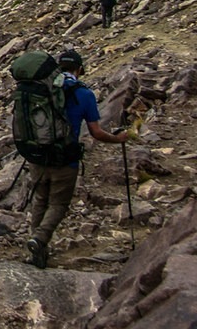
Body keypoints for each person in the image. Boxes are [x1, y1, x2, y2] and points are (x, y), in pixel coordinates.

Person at [25, 48, 127, 269]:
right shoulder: (84, 94)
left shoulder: (40, 88)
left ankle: (37, 250)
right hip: (65, 158)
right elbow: (96, 132)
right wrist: (118, 139)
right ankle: (40, 239)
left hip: (37, 156)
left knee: (40, 200)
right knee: (58, 203)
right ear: (79, 69)